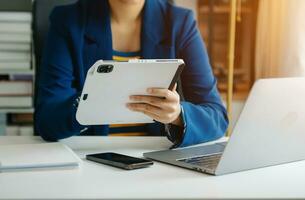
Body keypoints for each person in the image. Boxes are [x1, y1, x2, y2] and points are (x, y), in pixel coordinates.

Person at [35, 0, 228, 148]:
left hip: (156, 163)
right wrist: (89, 103)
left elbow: (217, 117)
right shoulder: (67, 21)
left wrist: (177, 115)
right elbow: (48, 120)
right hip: (89, 160)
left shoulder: (180, 23)